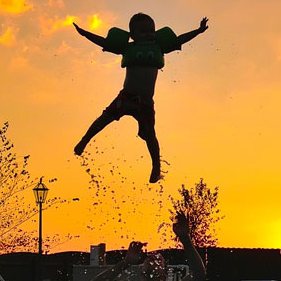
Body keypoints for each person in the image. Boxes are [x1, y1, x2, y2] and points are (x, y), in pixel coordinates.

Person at [73, 13, 209, 183]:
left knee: (151, 135)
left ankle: (156, 167)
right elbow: (104, 42)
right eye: (144, 31)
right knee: (104, 118)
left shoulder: (159, 47)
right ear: (133, 35)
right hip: (126, 97)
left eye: (152, 31)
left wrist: (197, 31)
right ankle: (84, 140)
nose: (149, 34)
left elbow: (179, 40)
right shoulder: (127, 48)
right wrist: (85, 33)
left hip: (145, 103)